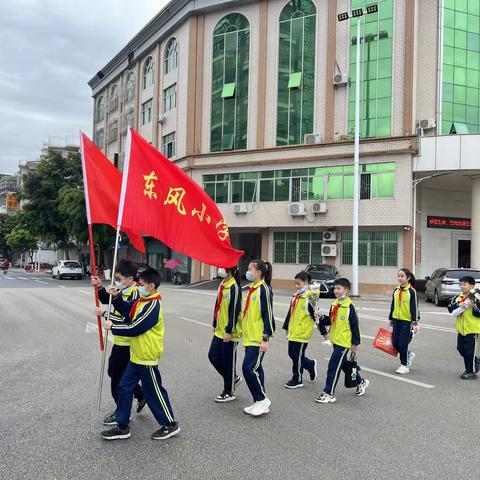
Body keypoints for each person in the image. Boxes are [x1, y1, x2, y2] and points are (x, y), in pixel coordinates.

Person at [100, 267, 179, 441]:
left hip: (147, 356)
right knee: (124, 387)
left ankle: (170, 424)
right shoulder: (142, 301)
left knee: (154, 392)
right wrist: (117, 296)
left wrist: (113, 326)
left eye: (142, 284)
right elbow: (128, 313)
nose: (139, 286)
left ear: (151, 286)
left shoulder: (153, 305)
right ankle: (122, 426)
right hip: (137, 355)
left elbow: (135, 328)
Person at [92, 259, 145, 426]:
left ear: (130, 279)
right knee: (115, 374)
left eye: (120, 278)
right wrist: (100, 287)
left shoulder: (136, 293)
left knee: (117, 381)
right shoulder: (121, 289)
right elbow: (107, 299)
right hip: (119, 342)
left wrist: (105, 315)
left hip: (128, 343)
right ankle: (140, 393)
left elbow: (128, 317)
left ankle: (122, 413)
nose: (117, 281)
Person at [316, 278, 369, 404]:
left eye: (338, 288)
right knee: (344, 365)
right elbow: (331, 321)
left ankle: (329, 393)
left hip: (345, 342)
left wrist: (355, 343)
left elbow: (355, 326)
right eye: (335, 288)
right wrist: (321, 316)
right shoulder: (334, 304)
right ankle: (361, 382)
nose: (336, 291)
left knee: (333, 367)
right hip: (336, 340)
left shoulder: (349, 307)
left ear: (346, 290)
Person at [241, 259, 274, 417]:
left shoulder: (264, 289)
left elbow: (268, 314)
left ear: (258, 272)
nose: (248, 271)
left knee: (248, 368)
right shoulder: (252, 288)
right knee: (257, 368)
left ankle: (262, 399)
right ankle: (259, 401)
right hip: (250, 336)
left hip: (259, 337)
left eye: (250, 269)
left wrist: (265, 337)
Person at [208, 266, 243, 402]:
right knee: (213, 356)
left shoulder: (234, 287)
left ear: (231, 271)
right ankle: (233, 378)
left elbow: (234, 311)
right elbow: (218, 306)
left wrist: (229, 331)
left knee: (228, 362)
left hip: (229, 333)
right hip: (219, 330)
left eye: (223, 267)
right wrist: (215, 323)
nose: (220, 269)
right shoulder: (223, 285)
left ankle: (229, 391)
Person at [282, 271, 318, 389]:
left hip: (302, 333)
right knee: (292, 354)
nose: (297, 286)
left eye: (299, 284)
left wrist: (325, 333)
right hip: (294, 331)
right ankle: (310, 364)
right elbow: (290, 312)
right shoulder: (296, 296)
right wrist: (286, 326)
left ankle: (297, 378)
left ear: (306, 283)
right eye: (295, 284)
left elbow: (316, 316)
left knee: (297, 355)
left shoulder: (310, 298)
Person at [448, 276, 480, 379]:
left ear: (472, 286)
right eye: (461, 284)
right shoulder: (458, 297)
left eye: (464, 284)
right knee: (460, 349)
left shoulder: (477, 298)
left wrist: (474, 307)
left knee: (469, 351)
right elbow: (450, 308)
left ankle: (470, 372)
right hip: (461, 330)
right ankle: (475, 361)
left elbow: (478, 314)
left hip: (472, 329)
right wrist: (459, 304)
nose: (462, 286)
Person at [388, 268, 419, 375]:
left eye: (402, 276)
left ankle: (404, 365)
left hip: (407, 321)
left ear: (408, 278)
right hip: (396, 320)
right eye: (399, 276)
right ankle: (408, 354)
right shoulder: (396, 290)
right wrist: (391, 318)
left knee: (403, 344)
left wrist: (414, 323)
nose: (400, 278)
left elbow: (415, 307)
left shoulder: (412, 291)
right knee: (395, 343)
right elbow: (393, 305)